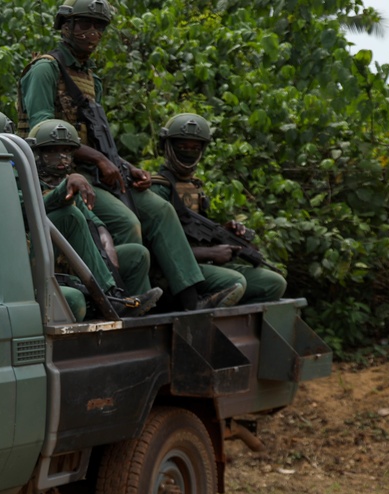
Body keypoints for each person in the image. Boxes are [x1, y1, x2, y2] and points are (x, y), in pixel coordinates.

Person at [17, 0, 242, 310]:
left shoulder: (90, 78)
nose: (92, 33)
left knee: (160, 209)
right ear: (66, 27)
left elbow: (96, 138)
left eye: (99, 27)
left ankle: (192, 298)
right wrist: (98, 159)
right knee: (127, 223)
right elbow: (41, 131)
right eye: (84, 24)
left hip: (99, 171)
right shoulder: (46, 69)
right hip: (60, 174)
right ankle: (119, 300)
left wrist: (127, 166)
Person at [29, 119, 162, 317]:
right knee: (69, 215)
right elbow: (30, 209)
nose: (61, 159)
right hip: (37, 263)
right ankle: (110, 297)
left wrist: (104, 238)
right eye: (52, 152)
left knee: (137, 255)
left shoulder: (67, 182)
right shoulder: (21, 178)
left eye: (66, 152)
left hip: (73, 261)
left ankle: (135, 311)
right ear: (36, 153)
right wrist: (68, 186)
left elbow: (91, 218)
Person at [151, 113, 287, 304]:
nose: (188, 152)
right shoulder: (157, 188)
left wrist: (224, 233)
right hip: (174, 271)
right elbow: (156, 248)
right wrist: (211, 253)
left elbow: (191, 231)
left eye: (194, 147)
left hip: (201, 264)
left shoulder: (194, 187)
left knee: (273, 283)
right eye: (182, 146)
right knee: (235, 282)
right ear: (167, 146)